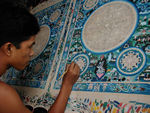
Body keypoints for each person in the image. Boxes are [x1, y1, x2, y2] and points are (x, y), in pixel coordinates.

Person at [0, 1, 80, 113]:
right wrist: (67, 85)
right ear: (9, 48)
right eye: (29, 46)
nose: (32, 53)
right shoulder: (4, 95)